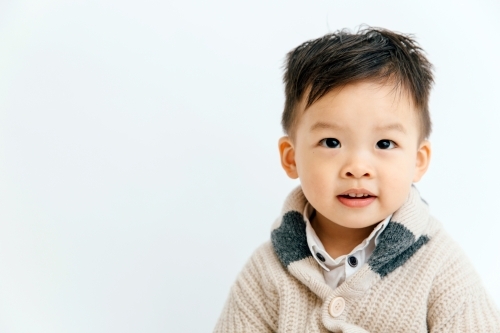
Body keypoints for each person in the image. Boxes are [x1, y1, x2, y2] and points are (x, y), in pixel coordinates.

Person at [213, 28, 500, 332]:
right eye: (332, 142)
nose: (358, 168)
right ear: (291, 157)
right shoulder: (265, 274)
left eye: (385, 144)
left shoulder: (440, 267)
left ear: (417, 161)